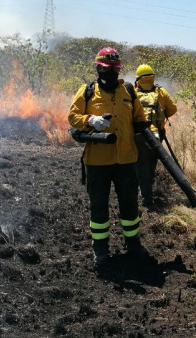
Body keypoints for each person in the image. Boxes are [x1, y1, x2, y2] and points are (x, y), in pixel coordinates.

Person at [68, 47, 148, 267]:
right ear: (98, 68)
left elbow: (139, 119)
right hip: (97, 162)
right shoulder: (87, 91)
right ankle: (100, 250)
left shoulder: (128, 91)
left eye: (114, 69)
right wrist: (90, 120)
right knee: (98, 206)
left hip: (126, 160)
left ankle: (133, 245)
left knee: (130, 206)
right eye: (106, 69)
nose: (110, 73)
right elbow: (73, 117)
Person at [134, 64, 178, 207]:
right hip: (156, 136)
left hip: (138, 135)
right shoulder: (161, 92)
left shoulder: (133, 92)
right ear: (152, 77)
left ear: (138, 78)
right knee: (151, 165)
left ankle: (144, 196)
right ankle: (148, 195)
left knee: (139, 165)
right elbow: (172, 109)